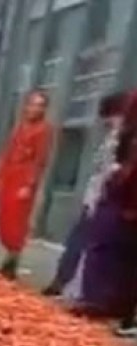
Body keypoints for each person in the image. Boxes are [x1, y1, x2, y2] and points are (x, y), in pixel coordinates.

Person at [43, 91, 128, 298]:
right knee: (81, 242)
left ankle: (73, 286)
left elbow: (111, 172)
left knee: (90, 246)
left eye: (111, 119)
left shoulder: (123, 141)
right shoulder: (115, 139)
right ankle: (65, 282)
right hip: (98, 199)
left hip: (107, 201)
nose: (109, 123)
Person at [69, 91, 137, 336]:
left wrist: (117, 183)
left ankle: (109, 307)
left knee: (111, 254)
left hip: (123, 203)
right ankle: (107, 306)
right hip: (117, 200)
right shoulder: (123, 136)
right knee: (107, 252)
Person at [0, 90, 54, 280]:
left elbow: (40, 160)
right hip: (10, 176)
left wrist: (29, 185)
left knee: (16, 223)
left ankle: (11, 262)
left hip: (23, 180)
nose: (35, 108)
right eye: (33, 103)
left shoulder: (45, 130)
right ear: (26, 105)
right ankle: (10, 257)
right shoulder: (20, 127)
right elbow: (6, 154)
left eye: (40, 105)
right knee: (4, 219)